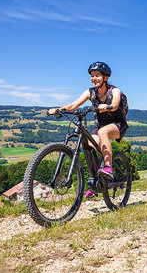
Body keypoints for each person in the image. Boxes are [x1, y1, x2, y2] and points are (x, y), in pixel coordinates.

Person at [48, 61, 129, 197]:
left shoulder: (114, 91)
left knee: (103, 132)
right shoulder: (90, 92)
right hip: (101, 125)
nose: (94, 78)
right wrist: (59, 110)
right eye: (92, 75)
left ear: (106, 77)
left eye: (97, 75)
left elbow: (115, 104)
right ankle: (95, 181)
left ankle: (108, 167)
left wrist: (108, 106)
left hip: (117, 125)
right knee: (89, 145)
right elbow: (74, 105)